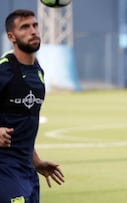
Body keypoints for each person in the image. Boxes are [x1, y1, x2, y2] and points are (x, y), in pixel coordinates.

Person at [0, 9, 64, 203]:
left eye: (35, 25)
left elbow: (26, 122)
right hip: (4, 168)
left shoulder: (38, 72)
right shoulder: (4, 69)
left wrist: (35, 160)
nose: (33, 31)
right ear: (11, 36)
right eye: (24, 27)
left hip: (27, 170)